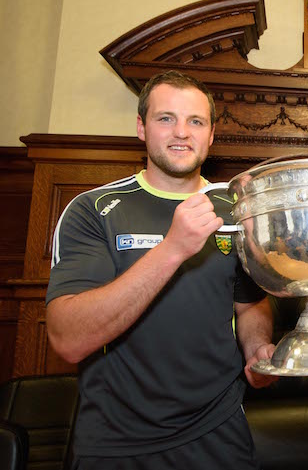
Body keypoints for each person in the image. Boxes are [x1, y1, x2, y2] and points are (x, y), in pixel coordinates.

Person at [45, 70, 277, 469]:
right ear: (141, 127)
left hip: (218, 434)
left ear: (211, 134)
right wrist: (172, 249)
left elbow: (249, 302)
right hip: (116, 442)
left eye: (196, 121)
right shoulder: (93, 210)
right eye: (165, 118)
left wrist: (257, 351)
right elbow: (68, 339)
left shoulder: (236, 210)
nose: (181, 132)